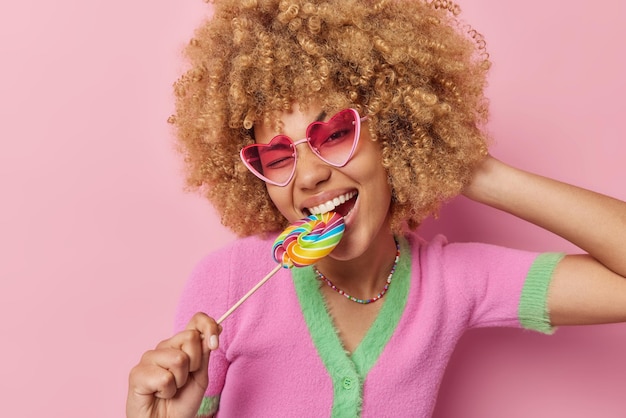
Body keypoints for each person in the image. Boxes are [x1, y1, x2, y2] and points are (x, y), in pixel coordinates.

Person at [126, 0, 626, 417]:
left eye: (336, 134)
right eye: (278, 156)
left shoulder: (450, 283)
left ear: (395, 132)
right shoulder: (227, 284)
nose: (309, 175)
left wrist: (477, 172)